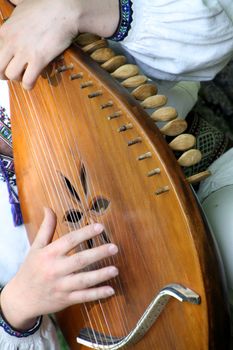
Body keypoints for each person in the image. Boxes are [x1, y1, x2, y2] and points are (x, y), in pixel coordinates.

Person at [0, 0, 233, 348]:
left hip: (203, 192)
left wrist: (76, 10)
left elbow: (218, 32)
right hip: (105, 323)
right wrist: (18, 305)